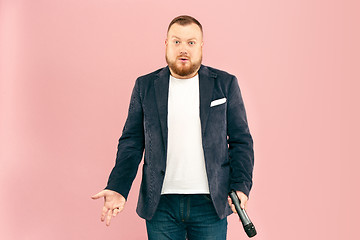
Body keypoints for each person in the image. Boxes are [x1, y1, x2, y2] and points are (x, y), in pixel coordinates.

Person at [92, 15, 254, 240]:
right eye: (177, 41)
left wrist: (241, 185)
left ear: (201, 46)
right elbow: (132, 142)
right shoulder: (145, 86)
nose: (183, 49)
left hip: (210, 203)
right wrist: (118, 187)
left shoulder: (225, 84)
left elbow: (241, 141)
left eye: (191, 42)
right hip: (161, 205)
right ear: (166, 44)